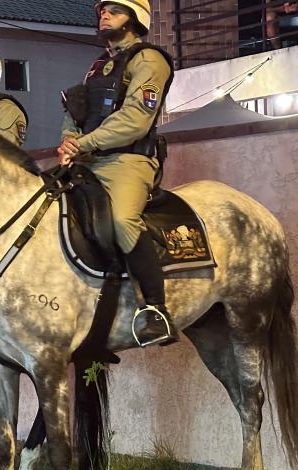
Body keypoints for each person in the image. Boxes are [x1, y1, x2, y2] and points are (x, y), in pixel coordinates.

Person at [57, 0, 177, 346]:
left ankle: (155, 310)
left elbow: (135, 120)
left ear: (135, 19)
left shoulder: (148, 60)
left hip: (128, 160)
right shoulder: (97, 66)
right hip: (88, 158)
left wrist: (83, 144)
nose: (104, 15)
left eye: (114, 10)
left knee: (124, 220)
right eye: (102, 11)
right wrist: (68, 139)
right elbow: (77, 112)